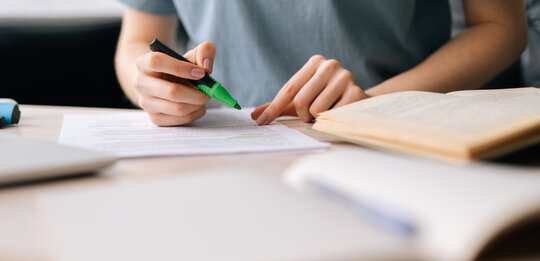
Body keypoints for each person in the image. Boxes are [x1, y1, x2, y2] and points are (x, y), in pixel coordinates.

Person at [115, 1, 527, 127]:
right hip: (215, 148)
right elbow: (137, 39)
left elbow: (501, 26)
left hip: (391, 140)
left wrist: (373, 103)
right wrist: (155, 85)